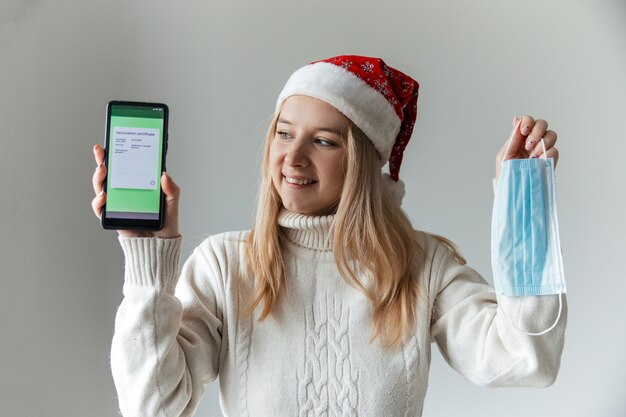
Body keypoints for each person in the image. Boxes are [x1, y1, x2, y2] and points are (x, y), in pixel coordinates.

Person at [91, 55, 567, 417]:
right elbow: (152, 404)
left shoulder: (421, 265)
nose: (293, 157)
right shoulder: (224, 265)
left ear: (362, 159)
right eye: (283, 133)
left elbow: (528, 358)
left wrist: (523, 205)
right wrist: (147, 260)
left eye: (323, 141)